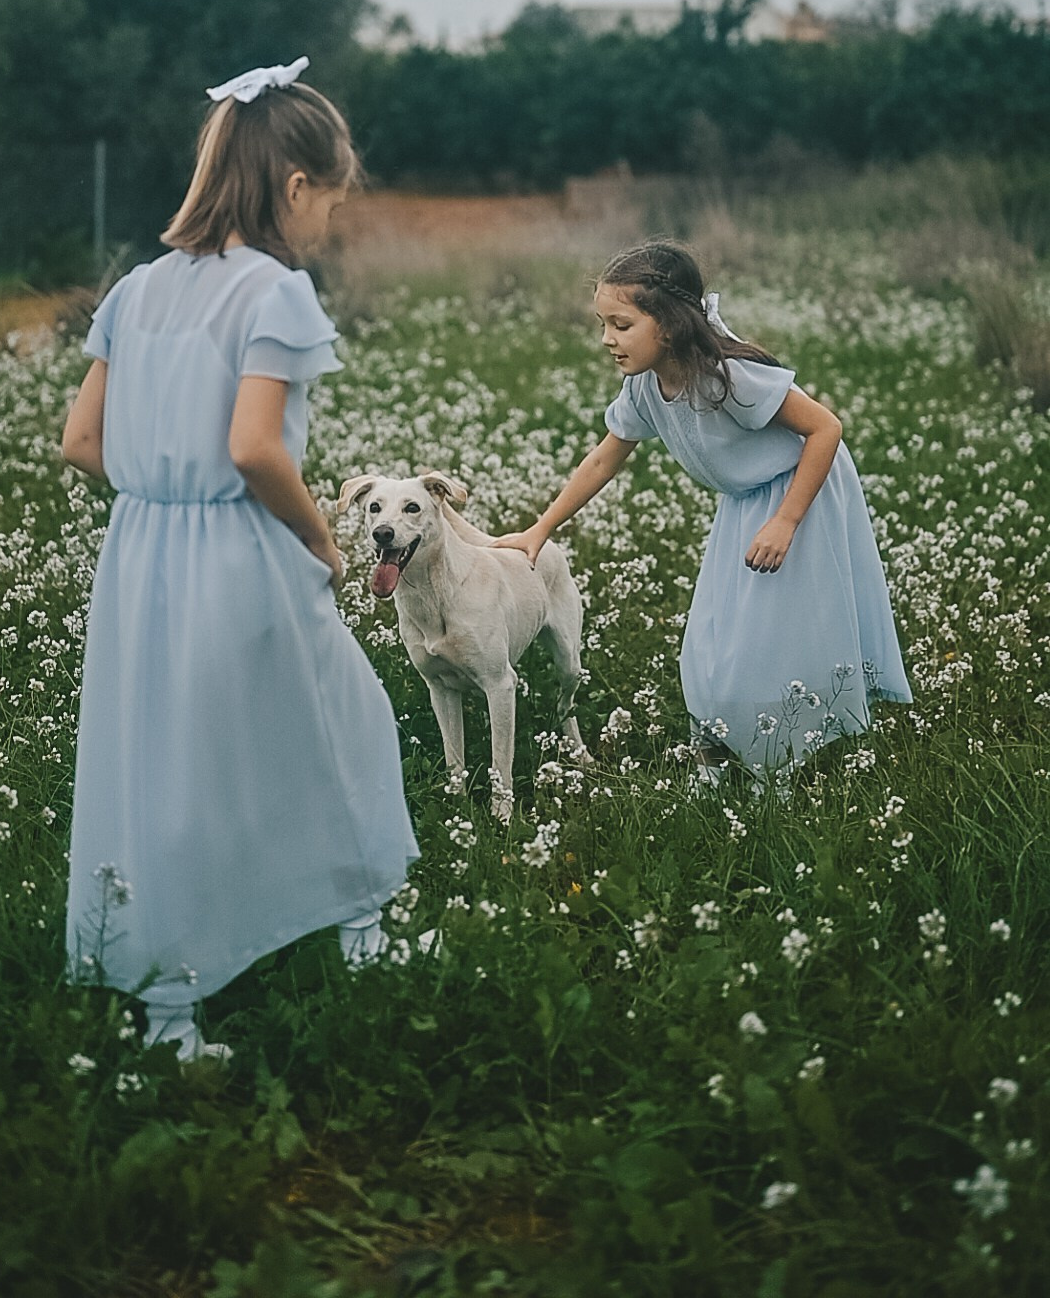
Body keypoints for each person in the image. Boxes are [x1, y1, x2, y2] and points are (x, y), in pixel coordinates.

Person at [61, 57, 418, 1062]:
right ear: (296, 188)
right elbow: (256, 447)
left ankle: (171, 1010)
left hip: (142, 555)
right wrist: (314, 532)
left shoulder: (137, 290)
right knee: (337, 731)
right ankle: (362, 934)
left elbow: (80, 443)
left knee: (169, 767)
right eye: (332, 206)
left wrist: (157, 505)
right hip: (239, 546)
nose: (330, 227)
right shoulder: (277, 291)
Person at [494, 239, 912, 779]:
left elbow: (825, 428)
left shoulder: (728, 376)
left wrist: (785, 521)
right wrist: (539, 530)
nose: (606, 340)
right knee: (709, 644)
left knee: (766, 644)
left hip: (799, 496)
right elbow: (603, 460)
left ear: (667, 326)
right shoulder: (644, 386)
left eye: (621, 325)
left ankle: (776, 772)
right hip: (743, 503)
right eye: (602, 324)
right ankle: (719, 768)